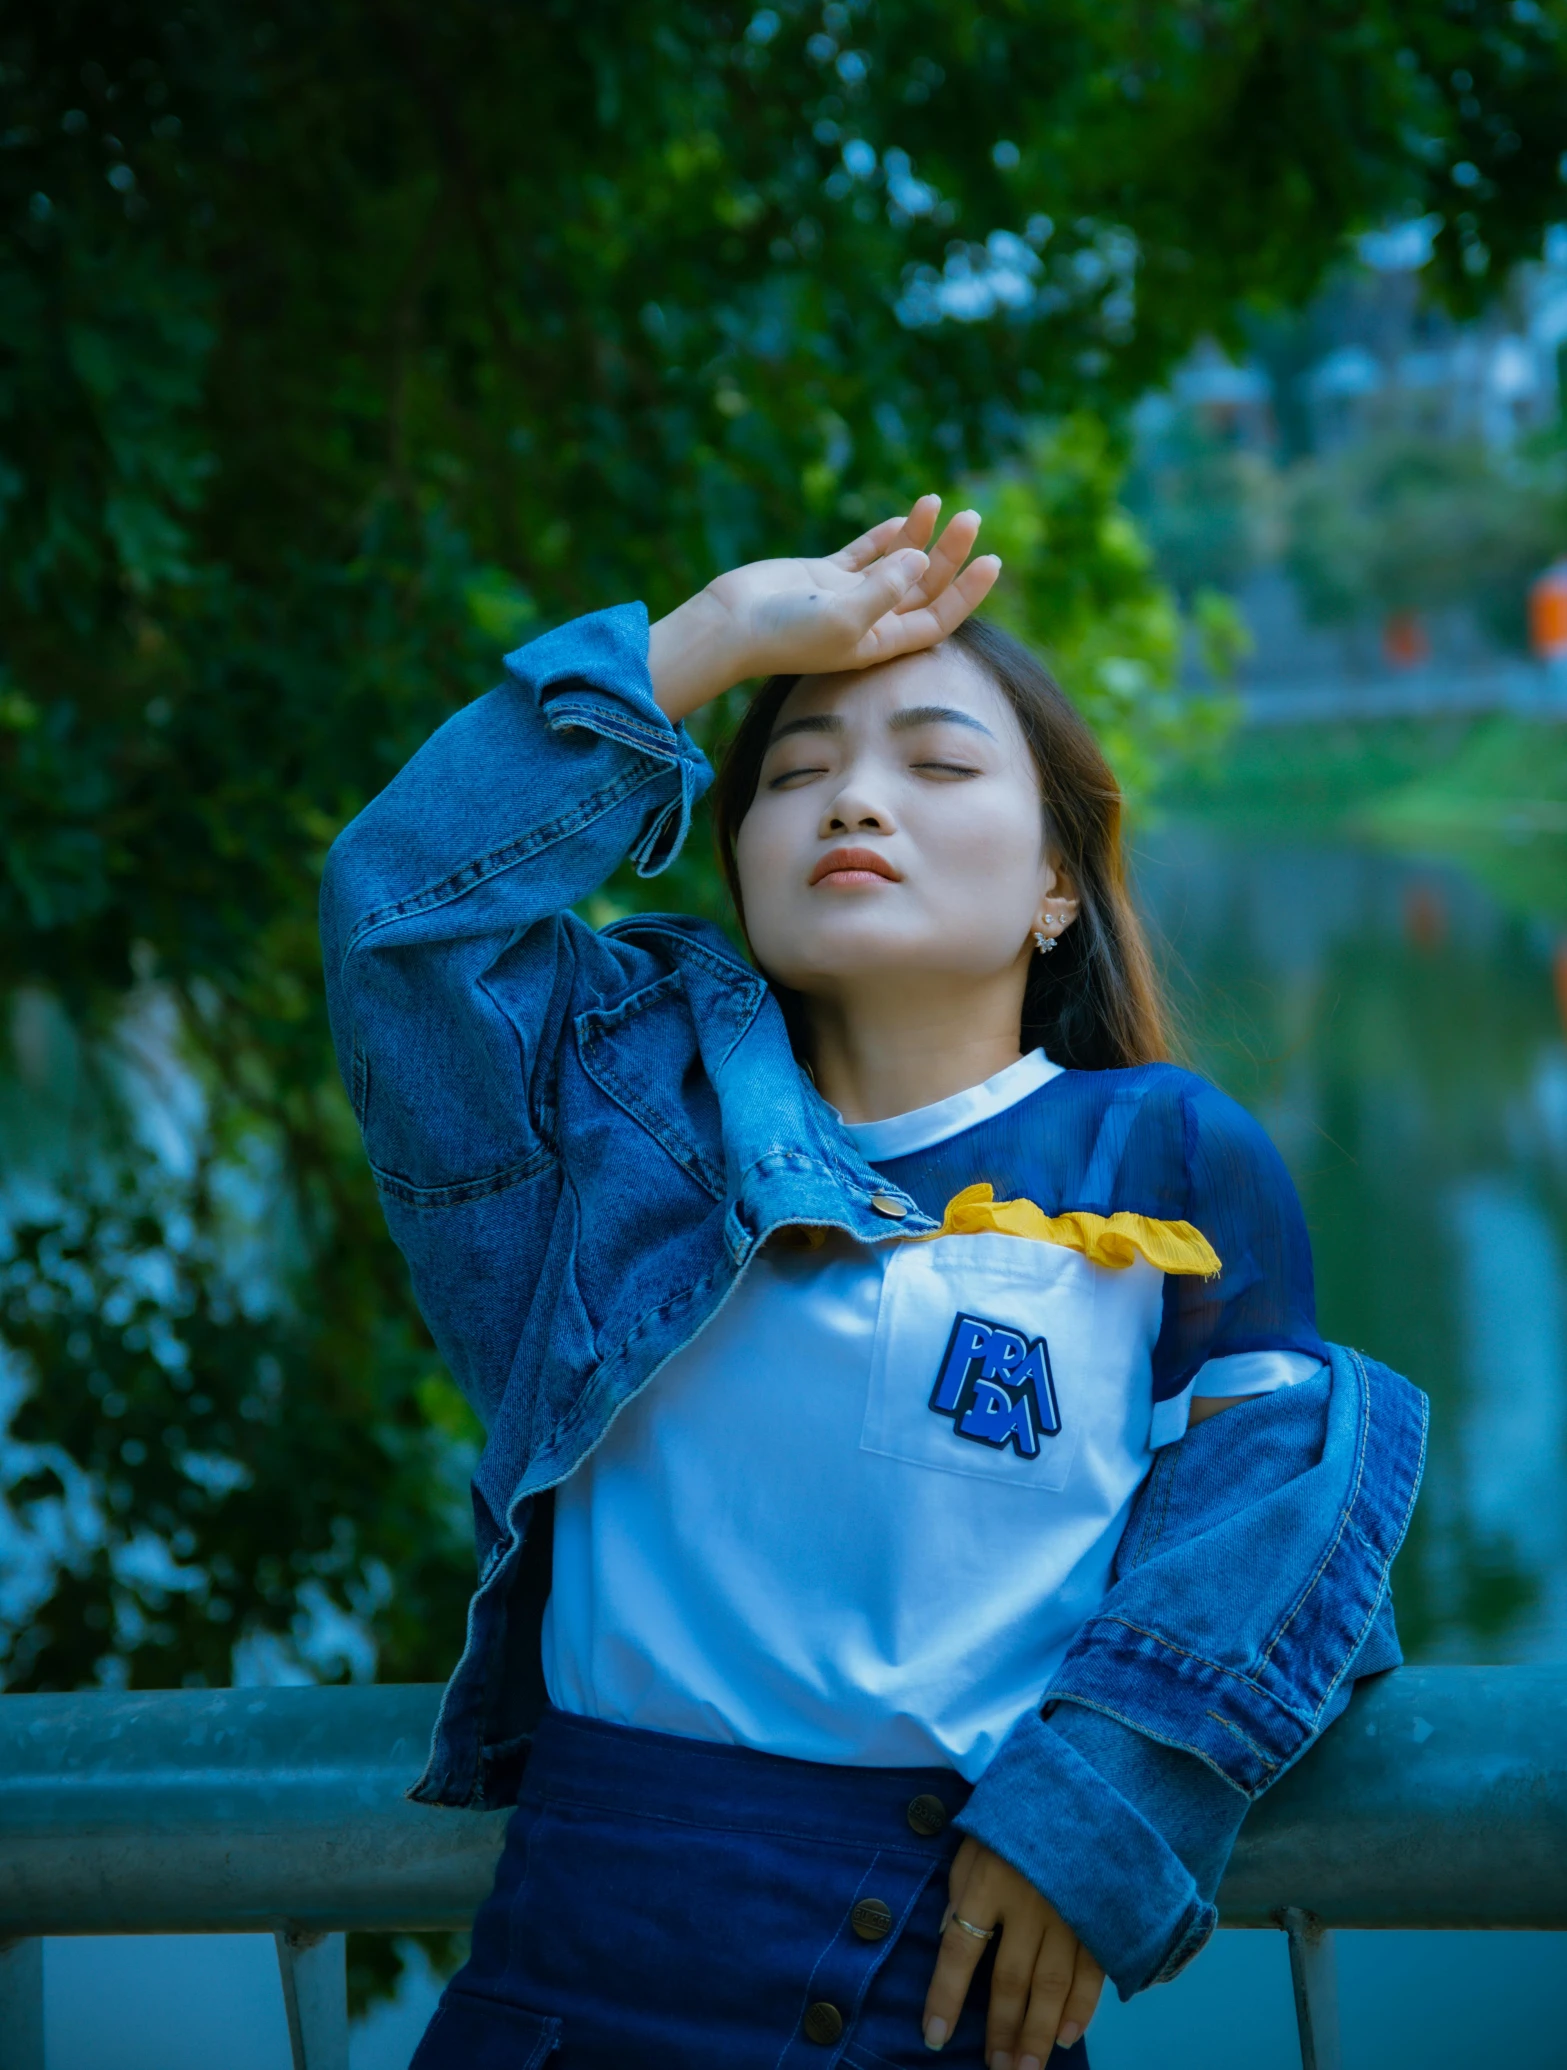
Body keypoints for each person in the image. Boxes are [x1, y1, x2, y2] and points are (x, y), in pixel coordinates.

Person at [321, 498, 1427, 2070]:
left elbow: (1266, 1508)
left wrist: (1094, 1801)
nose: (854, 795)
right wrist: (715, 634)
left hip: (947, 1983)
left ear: (1057, 881)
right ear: (746, 867)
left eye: (938, 761)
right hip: (567, 1977)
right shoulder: (605, 1126)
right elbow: (396, 913)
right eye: (793, 769)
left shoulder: (1162, 1152)